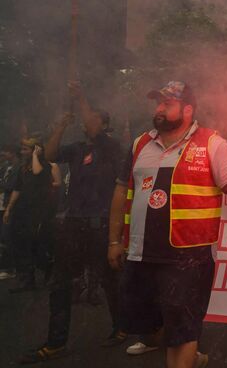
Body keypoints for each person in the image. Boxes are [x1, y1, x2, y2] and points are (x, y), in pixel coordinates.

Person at [107, 81, 227, 368]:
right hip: (141, 252)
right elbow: (122, 191)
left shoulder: (211, 143)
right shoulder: (140, 144)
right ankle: (192, 355)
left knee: (181, 331)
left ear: (187, 109)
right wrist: (113, 240)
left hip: (188, 257)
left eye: (166, 104)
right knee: (150, 328)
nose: (158, 109)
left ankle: (185, 351)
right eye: (157, 103)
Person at [16, 81, 127, 364]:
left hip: (100, 224)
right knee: (60, 283)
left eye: (95, 120)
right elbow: (51, 155)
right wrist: (61, 126)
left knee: (109, 282)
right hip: (74, 224)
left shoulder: (111, 147)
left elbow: (89, 122)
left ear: (104, 125)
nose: (88, 124)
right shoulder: (77, 148)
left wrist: (80, 98)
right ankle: (56, 343)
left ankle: (122, 327)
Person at [3, 137, 53, 293]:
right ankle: (28, 280)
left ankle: (48, 268)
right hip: (23, 210)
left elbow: (38, 172)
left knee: (37, 245)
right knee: (24, 245)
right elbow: (17, 188)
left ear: (35, 150)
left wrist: (36, 156)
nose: (22, 152)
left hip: (38, 211)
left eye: (26, 149)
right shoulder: (22, 167)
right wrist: (9, 208)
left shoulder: (43, 165)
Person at [0, 144, 20, 279]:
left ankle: (11, 268)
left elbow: (13, 186)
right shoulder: (6, 167)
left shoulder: (18, 168)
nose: (3, 155)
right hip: (3, 204)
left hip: (9, 206)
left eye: (5, 153)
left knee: (7, 237)